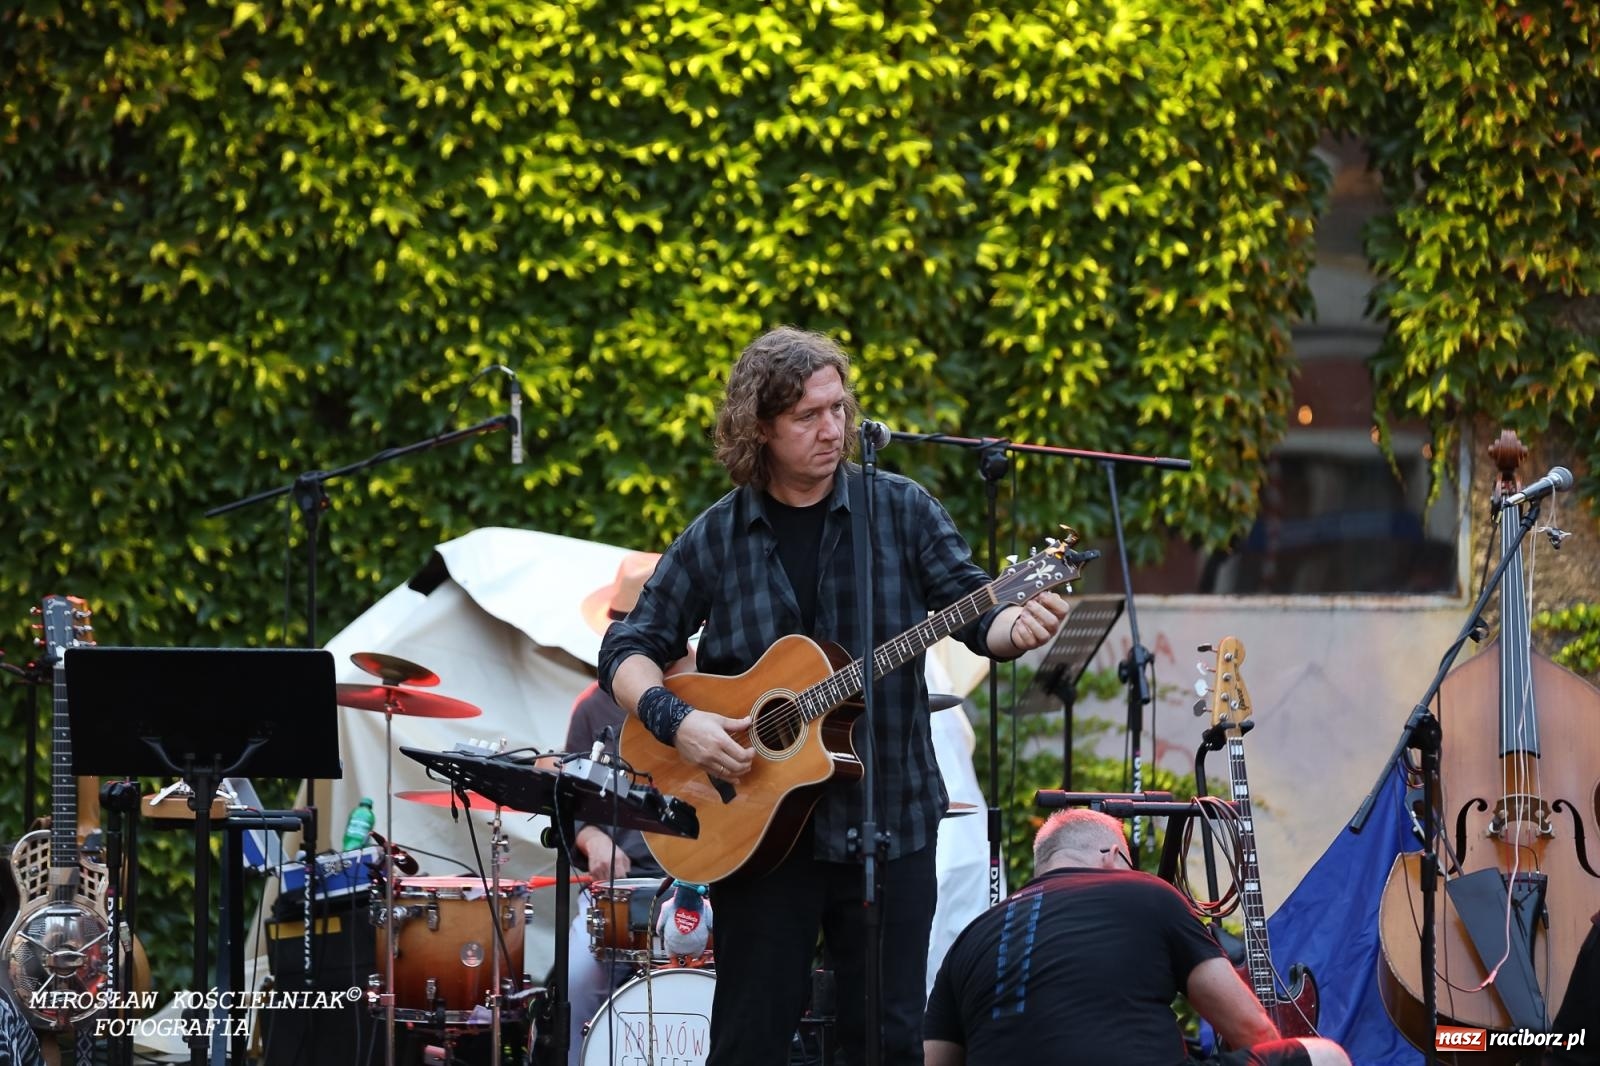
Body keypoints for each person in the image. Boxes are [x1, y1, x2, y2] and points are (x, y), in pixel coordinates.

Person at [599, 325, 1070, 1066]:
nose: (833, 430)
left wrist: (1019, 624)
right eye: (808, 417)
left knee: (883, 1041)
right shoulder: (719, 535)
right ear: (761, 428)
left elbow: (977, 615)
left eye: (839, 408)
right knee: (749, 1040)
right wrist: (680, 722)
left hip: (888, 819)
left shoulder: (902, 509)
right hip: (753, 832)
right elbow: (626, 649)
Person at [923, 809, 1352, 1066]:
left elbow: (935, 1061)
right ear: (1112, 856)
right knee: (1325, 1057)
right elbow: (1250, 1029)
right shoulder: (1147, 893)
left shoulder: (969, 940)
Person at [564, 551, 672, 1065]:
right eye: (620, 624)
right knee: (579, 979)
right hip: (618, 895)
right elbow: (571, 810)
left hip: (698, 888)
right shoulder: (591, 706)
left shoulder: (709, 692)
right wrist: (594, 839)